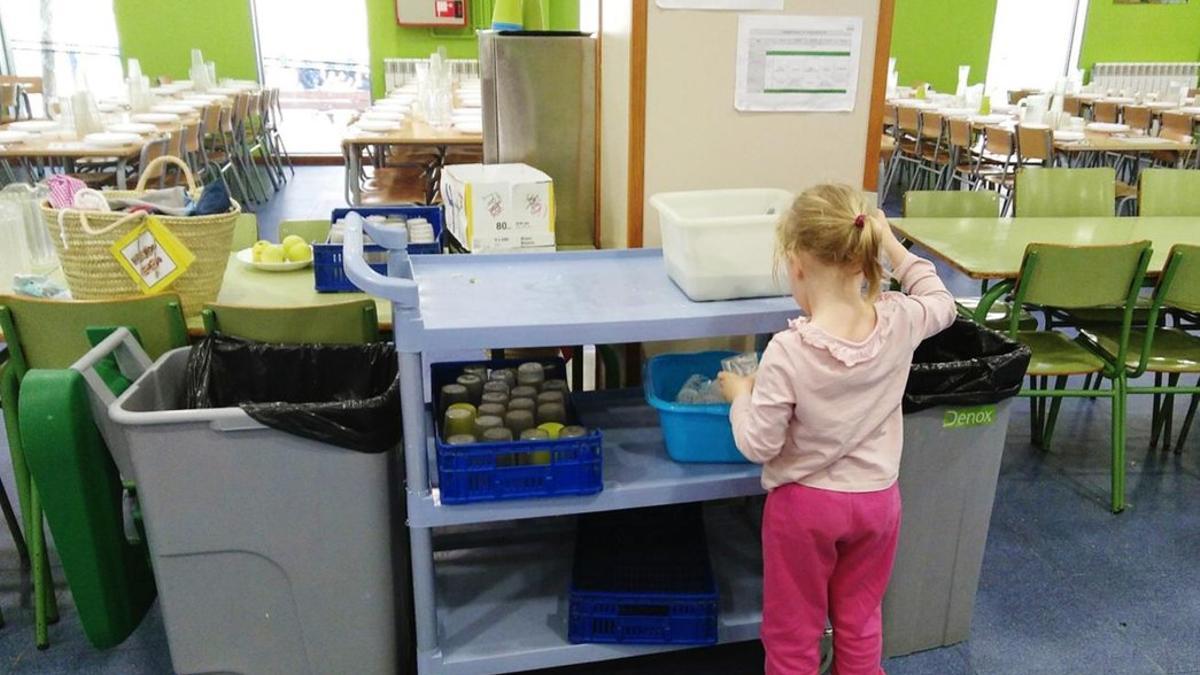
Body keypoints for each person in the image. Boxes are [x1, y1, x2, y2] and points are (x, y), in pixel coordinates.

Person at [718, 184, 956, 674]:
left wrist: (740, 398)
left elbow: (758, 443)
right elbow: (942, 301)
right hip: (877, 503)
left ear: (797, 264)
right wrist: (892, 243)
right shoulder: (900, 320)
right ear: (863, 251)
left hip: (805, 509)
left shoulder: (789, 349)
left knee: (793, 630)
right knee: (861, 618)